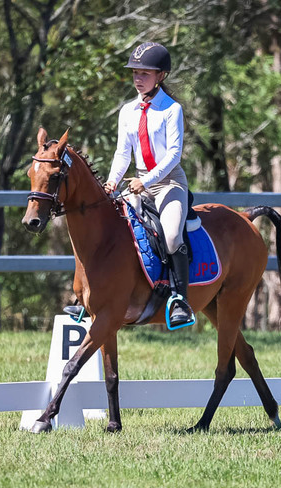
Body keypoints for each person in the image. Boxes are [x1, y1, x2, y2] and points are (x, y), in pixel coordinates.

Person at [104, 42, 194, 328]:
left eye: (145, 73)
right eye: (135, 73)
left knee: (171, 237)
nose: (138, 78)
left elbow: (173, 155)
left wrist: (147, 180)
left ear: (161, 76)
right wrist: (111, 181)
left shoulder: (171, 109)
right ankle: (94, 295)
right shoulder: (127, 111)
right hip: (137, 182)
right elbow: (122, 153)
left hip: (168, 183)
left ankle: (180, 300)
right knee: (109, 228)